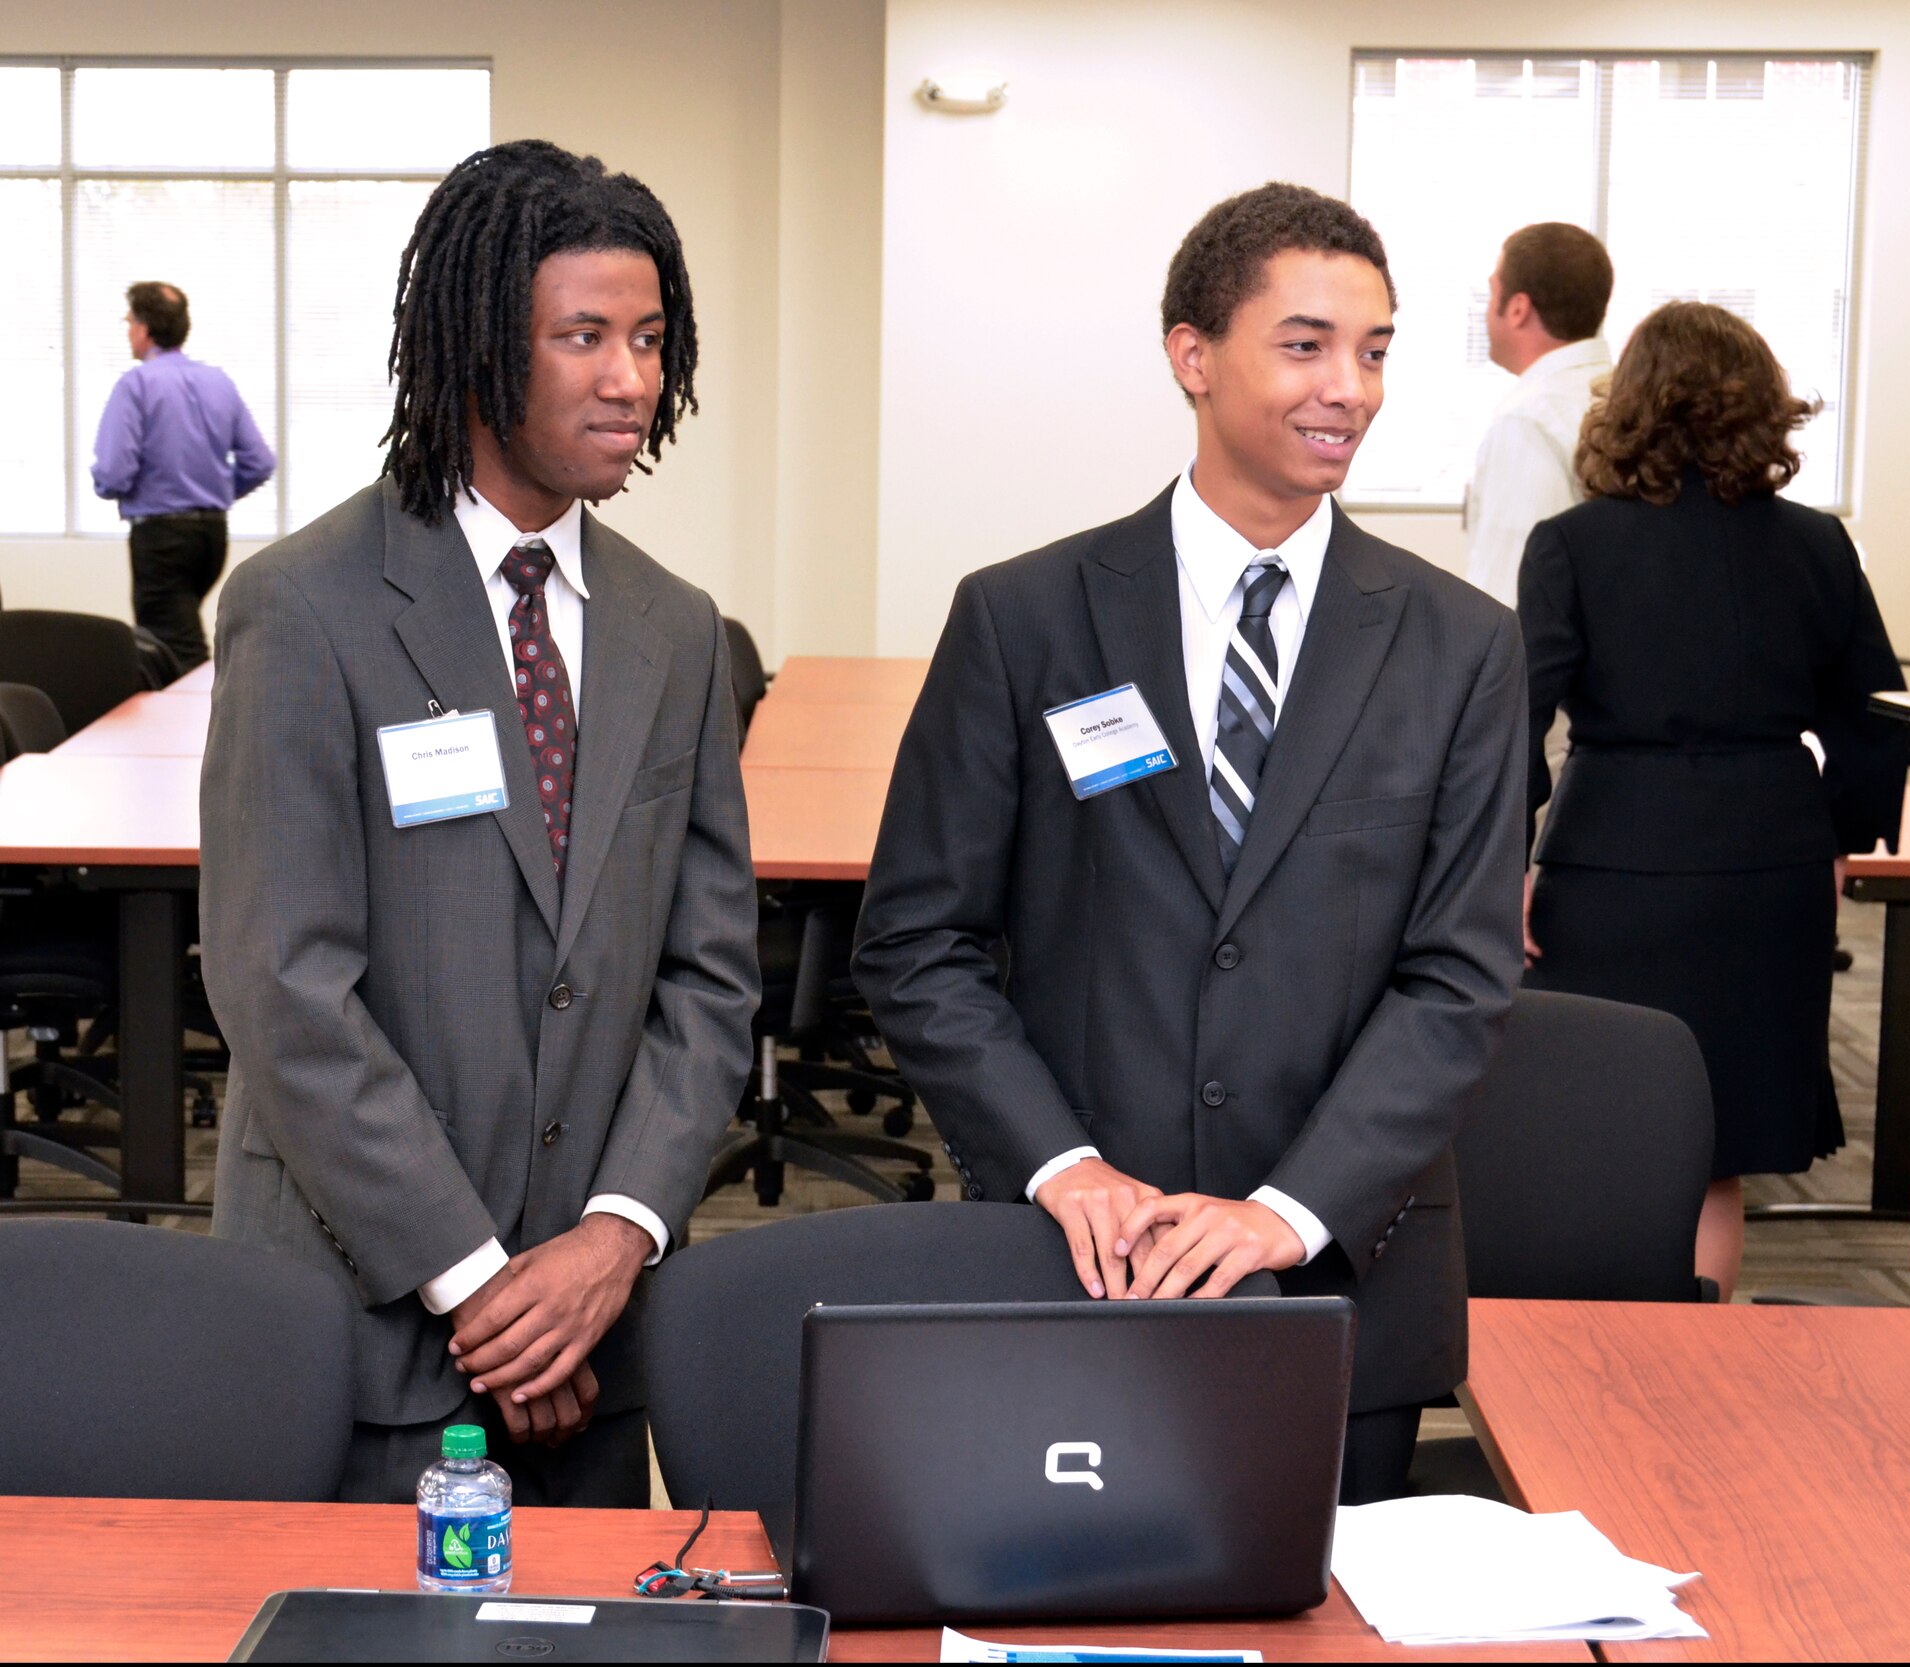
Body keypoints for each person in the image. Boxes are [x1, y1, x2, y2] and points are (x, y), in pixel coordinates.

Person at [852, 183, 1526, 1504]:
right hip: (1073, 1263)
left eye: (1376, 350)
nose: (1350, 386)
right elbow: (919, 942)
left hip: (1346, 1274)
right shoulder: (1025, 619)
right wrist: (1065, 1163)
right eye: (1306, 343)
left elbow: (1459, 979)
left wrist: (1288, 1210)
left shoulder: (1461, 647)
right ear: (1192, 353)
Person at [200, 140, 759, 1505]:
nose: (630, 378)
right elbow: (286, 990)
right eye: (583, 338)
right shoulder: (306, 608)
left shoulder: (676, 628)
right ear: (471, 350)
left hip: (598, 1340)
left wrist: (615, 1237)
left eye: (648, 336)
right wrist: (484, 1281)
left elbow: (709, 971)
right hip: (367, 1334)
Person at [1518, 301, 1906, 1300]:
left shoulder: (1570, 544)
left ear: (1628, 406)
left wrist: (1497, 870)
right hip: (1769, 866)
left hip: (1611, 865)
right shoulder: (1818, 545)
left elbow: (1508, 727)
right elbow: (1872, 722)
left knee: (1600, 1119)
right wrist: (1838, 840)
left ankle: (1578, 1374)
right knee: (1714, 1140)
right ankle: (1699, 1363)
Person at [89, 281, 275, 670]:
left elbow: (113, 473)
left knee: (172, 649)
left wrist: (110, 485)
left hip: (162, 540)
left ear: (142, 328)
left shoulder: (136, 384)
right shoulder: (218, 382)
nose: (128, 332)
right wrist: (217, 489)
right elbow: (259, 462)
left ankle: (203, 727)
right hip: (211, 537)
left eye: (129, 323)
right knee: (178, 635)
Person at [1464, 224, 1613, 610]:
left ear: (1517, 308)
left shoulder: (1529, 423)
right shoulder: (1627, 397)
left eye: (1492, 291)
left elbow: (1510, 599)